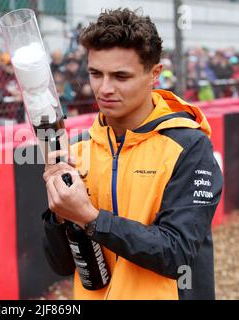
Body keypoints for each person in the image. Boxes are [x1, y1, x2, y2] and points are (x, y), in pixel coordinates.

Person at [42, 8, 223, 300]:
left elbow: (176, 254)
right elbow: (61, 264)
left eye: (121, 76)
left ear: (154, 75)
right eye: (95, 74)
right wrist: (59, 214)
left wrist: (90, 218)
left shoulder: (189, 146)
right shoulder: (77, 149)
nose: (105, 88)